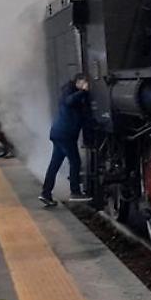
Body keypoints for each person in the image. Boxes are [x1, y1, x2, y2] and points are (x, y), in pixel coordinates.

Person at [39, 73, 91, 207]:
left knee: (54, 165)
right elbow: (69, 101)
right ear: (78, 81)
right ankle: (75, 192)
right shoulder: (70, 92)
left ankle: (45, 193)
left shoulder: (72, 92)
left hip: (60, 133)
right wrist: (83, 91)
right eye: (84, 82)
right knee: (75, 161)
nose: (86, 85)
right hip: (65, 134)